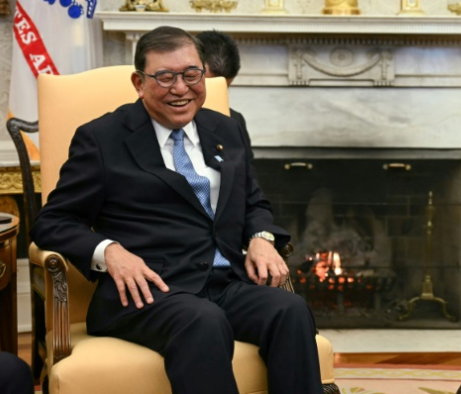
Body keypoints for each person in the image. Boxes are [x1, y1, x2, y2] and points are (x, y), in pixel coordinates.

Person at [31, 26, 322, 393]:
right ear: (139, 82)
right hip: (147, 291)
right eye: (165, 77)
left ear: (204, 73)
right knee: (203, 320)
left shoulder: (226, 129)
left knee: (290, 311)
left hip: (225, 282)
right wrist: (110, 252)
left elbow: (253, 202)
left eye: (190, 75)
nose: (181, 88)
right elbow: (52, 221)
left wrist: (262, 237)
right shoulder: (102, 139)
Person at [197, 30, 253, 159]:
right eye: (208, 87)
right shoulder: (164, 118)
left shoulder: (234, 121)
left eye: (222, 89)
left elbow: (247, 173)